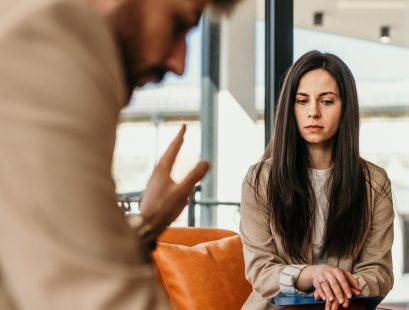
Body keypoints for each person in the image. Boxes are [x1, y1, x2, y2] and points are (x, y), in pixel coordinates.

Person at [0, 0, 240, 309]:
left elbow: (39, 255)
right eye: (179, 25)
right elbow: (99, 295)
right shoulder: (54, 38)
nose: (180, 64)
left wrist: (148, 222)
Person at [239, 51, 395, 310]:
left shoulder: (374, 183)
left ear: (345, 107)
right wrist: (312, 275)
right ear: (290, 108)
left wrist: (336, 288)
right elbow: (260, 269)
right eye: (302, 101)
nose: (313, 112)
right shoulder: (259, 180)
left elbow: (378, 271)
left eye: (326, 101)